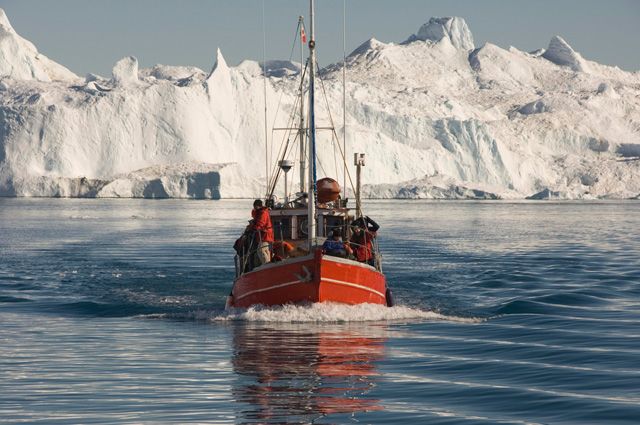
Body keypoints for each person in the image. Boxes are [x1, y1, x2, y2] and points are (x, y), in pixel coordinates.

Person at [249, 199, 274, 265]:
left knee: (261, 250)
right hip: (265, 234)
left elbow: (260, 224)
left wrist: (252, 227)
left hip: (265, 234)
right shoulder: (262, 212)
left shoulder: (263, 213)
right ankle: (268, 263)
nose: (254, 208)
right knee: (265, 250)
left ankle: (267, 265)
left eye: (255, 207)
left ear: (257, 206)